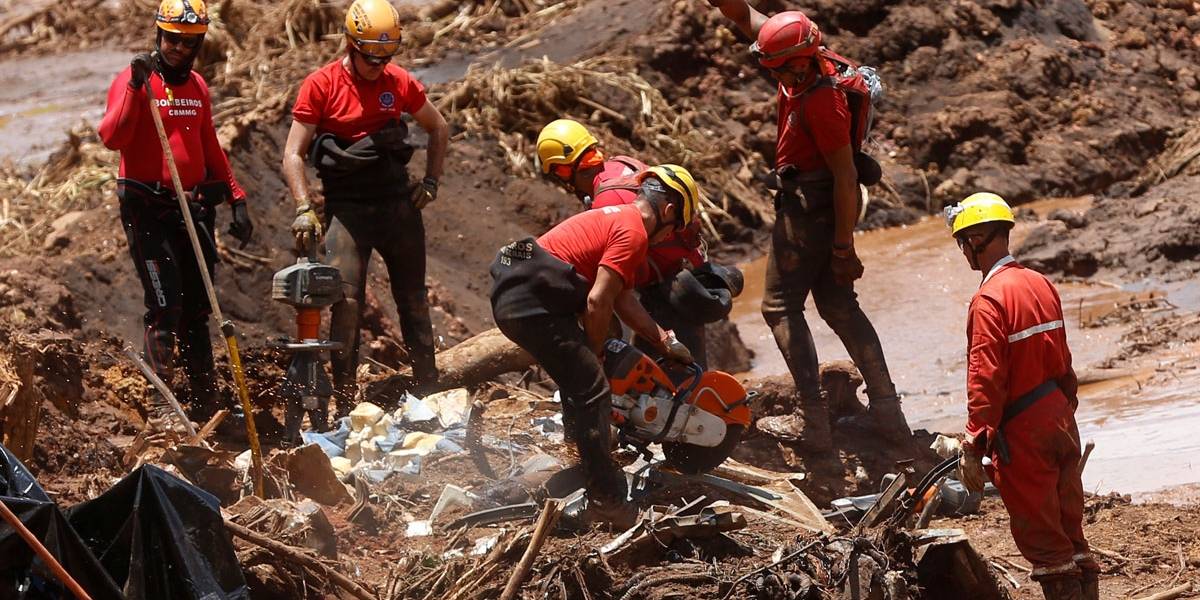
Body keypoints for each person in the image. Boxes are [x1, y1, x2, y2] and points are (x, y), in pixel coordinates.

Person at [708, 2, 909, 450]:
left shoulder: (822, 99)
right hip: (817, 204)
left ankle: (812, 420)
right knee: (839, 308)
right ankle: (888, 414)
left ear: (799, 61)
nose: (777, 79)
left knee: (779, 308)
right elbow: (745, 19)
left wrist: (843, 247)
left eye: (782, 71)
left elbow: (846, 177)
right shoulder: (806, 54)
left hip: (812, 209)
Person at [490, 165, 698, 521]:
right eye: (675, 228)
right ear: (667, 212)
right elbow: (597, 302)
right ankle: (608, 501)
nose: (670, 238)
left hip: (519, 286)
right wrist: (596, 351)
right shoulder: (634, 233)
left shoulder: (617, 218)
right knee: (593, 389)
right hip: (530, 300)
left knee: (584, 376)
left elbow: (623, 299)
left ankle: (582, 453)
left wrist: (663, 340)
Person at [282, 0, 450, 409]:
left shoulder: (399, 82)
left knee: (412, 299)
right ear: (350, 45)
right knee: (346, 304)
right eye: (370, 57)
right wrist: (304, 206)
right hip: (349, 210)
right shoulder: (320, 85)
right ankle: (344, 402)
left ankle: (429, 390)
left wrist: (431, 182)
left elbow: (438, 126)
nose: (378, 65)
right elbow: (292, 154)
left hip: (396, 205)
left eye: (386, 57)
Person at [99, 0, 254, 424]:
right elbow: (111, 137)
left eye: (187, 42)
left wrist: (237, 197)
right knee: (165, 304)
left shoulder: (198, 87)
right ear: (158, 35)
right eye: (170, 39)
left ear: (199, 43)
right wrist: (134, 87)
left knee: (199, 310)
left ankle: (208, 405)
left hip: (192, 207)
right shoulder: (137, 82)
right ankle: (160, 408)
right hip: (147, 205)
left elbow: (209, 145)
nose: (176, 49)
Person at [947, 193, 1097, 600]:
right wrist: (1065, 409)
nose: (963, 252)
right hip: (1059, 416)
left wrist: (973, 445)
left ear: (976, 239)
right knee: (1070, 527)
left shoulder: (988, 300)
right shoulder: (1040, 283)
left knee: (1046, 542)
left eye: (963, 242)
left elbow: (985, 379)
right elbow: (1063, 359)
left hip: (1024, 428)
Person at [535, 119, 743, 367]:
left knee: (677, 381)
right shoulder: (624, 164)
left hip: (665, 294)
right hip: (686, 275)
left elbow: (612, 289)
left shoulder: (606, 201)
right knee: (680, 376)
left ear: (562, 170)